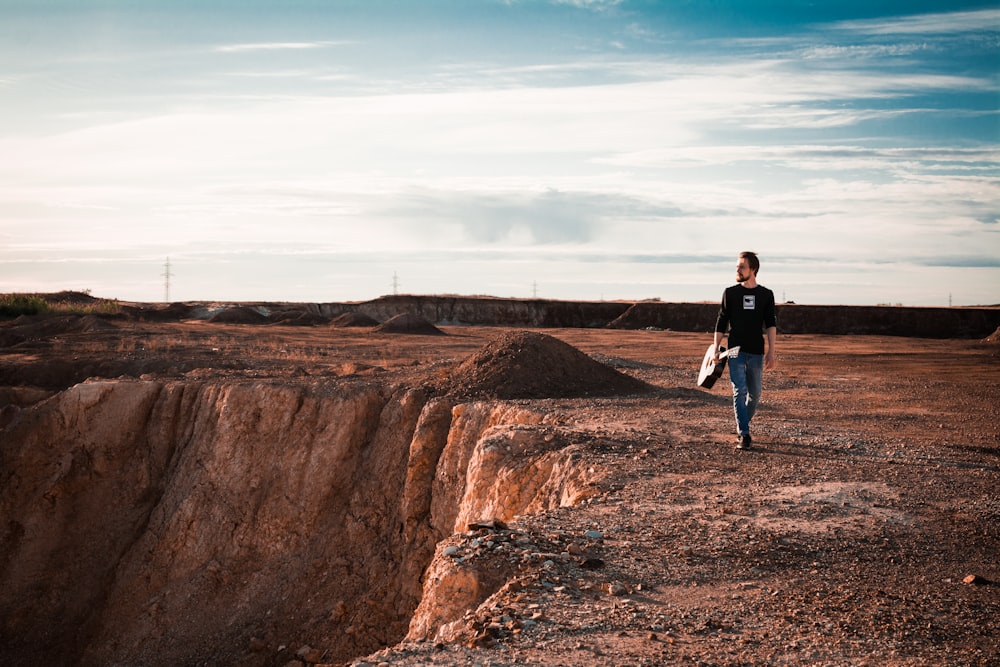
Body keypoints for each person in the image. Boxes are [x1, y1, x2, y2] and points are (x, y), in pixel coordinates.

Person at [713, 251, 777, 450]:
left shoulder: (766, 295)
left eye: (742, 266)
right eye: (737, 266)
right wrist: (715, 348)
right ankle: (744, 434)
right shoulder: (730, 293)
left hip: (757, 351)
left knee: (755, 394)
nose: (738, 270)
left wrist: (771, 351)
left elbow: (771, 324)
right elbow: (721, 322)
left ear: (753, 270)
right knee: (739, 391)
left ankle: (743, 424)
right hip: (735, 351)